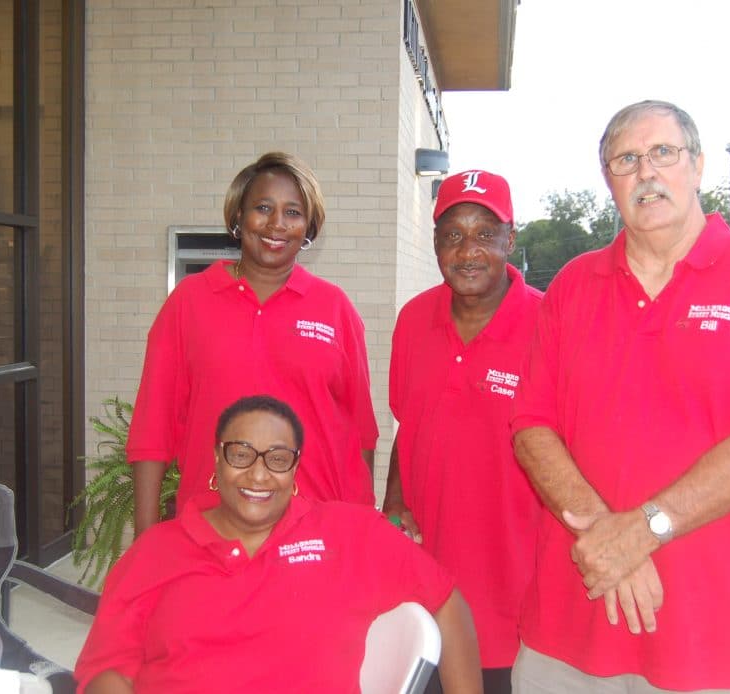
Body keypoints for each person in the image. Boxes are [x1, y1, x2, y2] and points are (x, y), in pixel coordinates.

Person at [509, 100, 730, 693]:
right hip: (567, 634)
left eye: (662, 153)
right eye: (626, 160)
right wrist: (608, 534)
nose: (645, 172)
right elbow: (531, 426)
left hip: (709, 643)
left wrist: (643, 531)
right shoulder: (573, 285)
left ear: (697, 165)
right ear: (609, 181)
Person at [75, 395, 483, 693]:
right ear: (216, 459)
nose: (258, 475)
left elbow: (446, 600)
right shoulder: (155, 552)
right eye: (241, 455)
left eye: (277, 458)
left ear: (295, 467)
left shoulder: (349, 533)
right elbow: (106, 670)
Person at [125, 152, 378, 535]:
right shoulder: (189, 303)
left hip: (314, 532)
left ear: (308, 226)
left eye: (293, 212)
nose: (277, 223)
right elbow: (152, 429)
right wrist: (147, 541)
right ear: (238, 216)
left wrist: (359, 532)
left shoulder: (335, 308)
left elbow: (360, 434)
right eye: (263, 208)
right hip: (213, 526)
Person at [382, 169, 542, 693]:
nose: (468, 251)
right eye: (452, 235)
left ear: (510, 240)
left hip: (517, 602)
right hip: (426, 591)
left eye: (484, 234)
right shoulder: (413, 320)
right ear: (435, 244)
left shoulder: (549, 324)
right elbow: (409, 423)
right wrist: (393, 502)